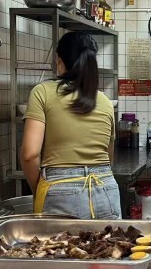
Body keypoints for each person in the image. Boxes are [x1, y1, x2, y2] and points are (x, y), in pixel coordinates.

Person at [21, 32, 120, 218]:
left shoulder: (42, 92)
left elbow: (30, 154)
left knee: (61, 240)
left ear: (59, 61)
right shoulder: (105, 101)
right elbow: (109, 156)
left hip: (61, 191)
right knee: (110, 239)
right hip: (107, 188)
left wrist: (41, 188)